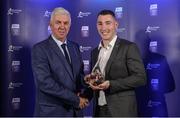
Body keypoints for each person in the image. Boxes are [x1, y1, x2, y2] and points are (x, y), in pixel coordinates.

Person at [85, 9, 147, 117]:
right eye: (100, 24)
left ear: (116, 25)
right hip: (99, 110)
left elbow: (141, 78)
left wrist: (111, 84)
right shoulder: (94, 52)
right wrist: (85, 93)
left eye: (108, 23)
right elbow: (96, 80)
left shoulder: (128, 47)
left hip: (121, 111)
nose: (103, 28)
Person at [31, 7, 89, 117]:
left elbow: (78, 77)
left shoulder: (75, 47)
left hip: (75, 113)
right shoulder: (39, 49)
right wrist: (76, 99)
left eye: (66, 23)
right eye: (58, 22)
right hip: (52, 113)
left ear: (69, 26)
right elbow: (45, 83)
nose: (62, 26)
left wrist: (86, 81)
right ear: (50, 25)